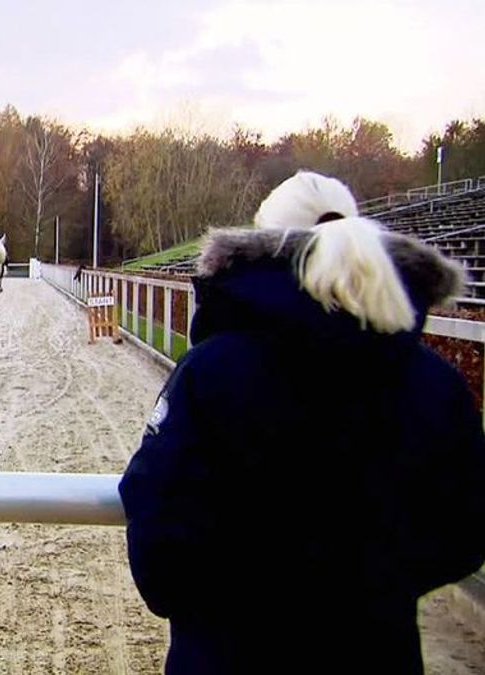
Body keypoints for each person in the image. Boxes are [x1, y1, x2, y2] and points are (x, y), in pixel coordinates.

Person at [119, 171, 485, 674]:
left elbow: (158, 538)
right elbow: (464, 534)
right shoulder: (438, 383)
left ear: (262, 246)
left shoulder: (212, 371)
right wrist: (375, 583)